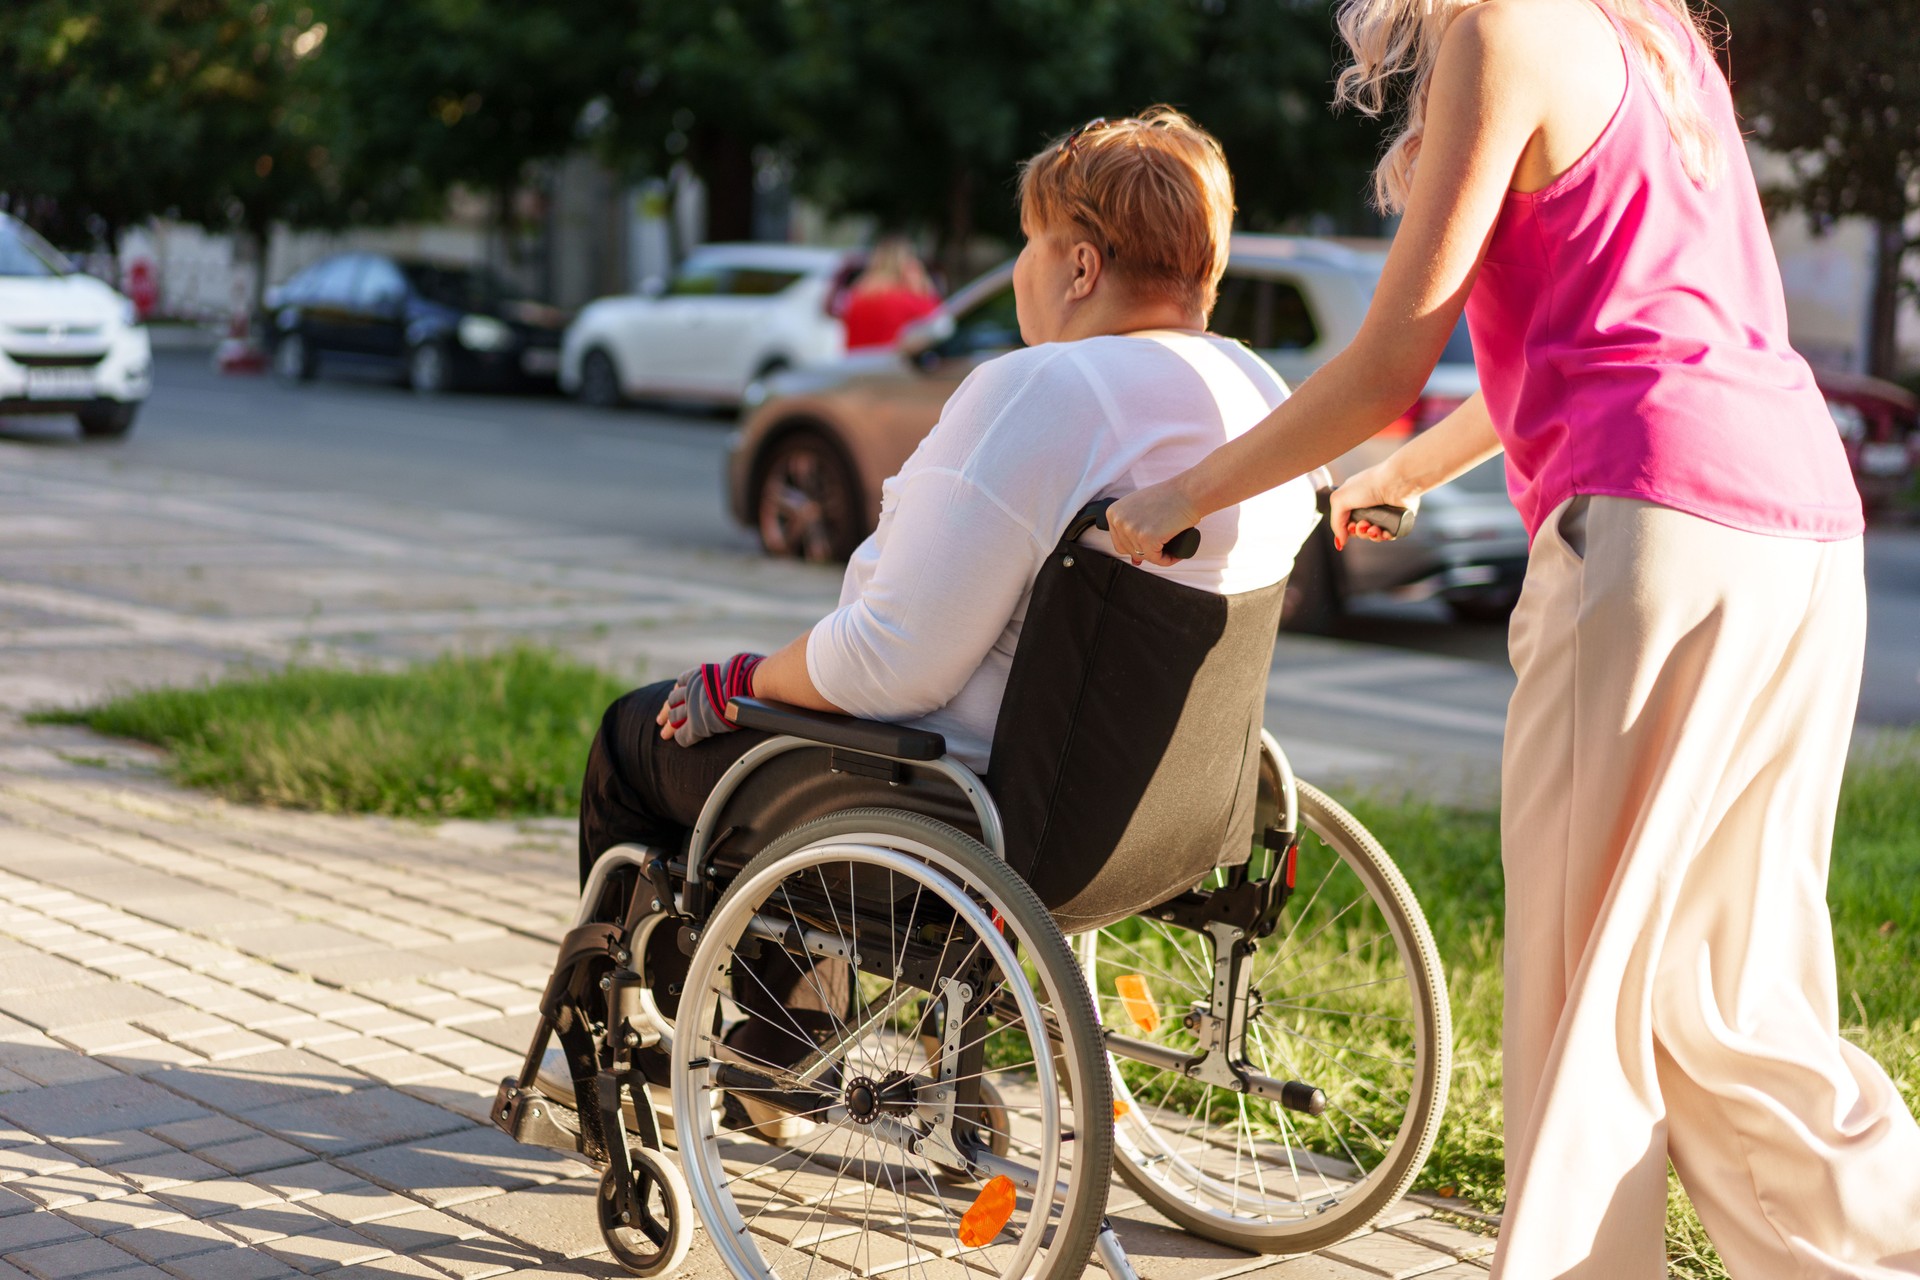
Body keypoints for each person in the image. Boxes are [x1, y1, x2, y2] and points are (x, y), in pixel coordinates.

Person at [1107, 2, 1920, 1276]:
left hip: (1657, 524)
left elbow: (1386, 360)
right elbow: (1606, 324)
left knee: (1588, 995)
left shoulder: (1503, 28)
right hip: (1800, 529)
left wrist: (1180, 495)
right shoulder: (1655, 39)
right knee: (1731, 999)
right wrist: (1409, 472)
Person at [577, 107, 1319, 1135]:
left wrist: (742, 677)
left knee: (636, 736)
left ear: (1080, 264)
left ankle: (672, 1038)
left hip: (965, 803)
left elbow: (889, 663)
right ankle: (795, 1029)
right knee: (794, 735)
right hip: (1168, 814)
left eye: (1028, 242)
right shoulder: (1255, 392)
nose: (1021, 267)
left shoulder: (1049, 388)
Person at [839, 237, 941, 350]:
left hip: (854, 364)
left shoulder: (857, 295)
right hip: (890, 365)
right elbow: (941, 324)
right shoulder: (909, 300)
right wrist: (921, 286)